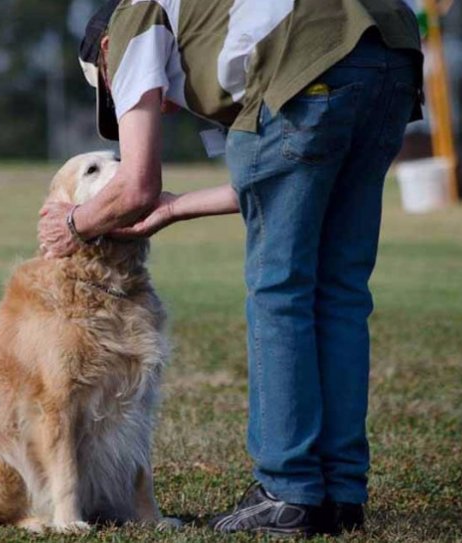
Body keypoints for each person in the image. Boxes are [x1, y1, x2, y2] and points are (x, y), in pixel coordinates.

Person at [38, 0, 423, 536]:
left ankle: (288, 491)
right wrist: (172, 209)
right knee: (340, 295)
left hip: (309, 65)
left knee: (281, 290)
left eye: (116, 90)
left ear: (106, 53)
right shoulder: (214, 28)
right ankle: (340, 495)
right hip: (392, 53)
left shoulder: (131, 16)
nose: (152, 106)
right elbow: (270, 178)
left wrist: (74, 224)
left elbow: (136, 185)